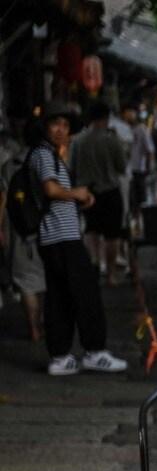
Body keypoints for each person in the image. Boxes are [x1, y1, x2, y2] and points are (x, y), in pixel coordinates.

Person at [29, 103, 127, 376]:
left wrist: (79, 198)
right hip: (62, 237)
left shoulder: (51, 155)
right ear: (45, 127)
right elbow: (50, 189)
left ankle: (60, 356)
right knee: (86, 292)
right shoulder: (44, 154)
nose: (61, 130)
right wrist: (78, 194)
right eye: (55, 124)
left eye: (65, 125)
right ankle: (94, 351)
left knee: (60, 296)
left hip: (58, 235)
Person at [69, 101, 129, 284]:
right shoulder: (112, 140)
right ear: (106, 118)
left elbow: (72, 168)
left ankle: (93, 266)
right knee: (112, 235)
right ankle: (111, 273)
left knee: (90, 230)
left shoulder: (77, 141)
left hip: (86, 192)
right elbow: (122, 166)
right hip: (110, 190)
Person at [4, 121, 46, 342]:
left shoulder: (10, 165)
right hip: (46, 229)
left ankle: (34, 328)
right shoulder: (48, 163)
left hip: (19, 231)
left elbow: (2, 200)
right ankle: (42, 322)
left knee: (26, 281)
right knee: (43, 278)